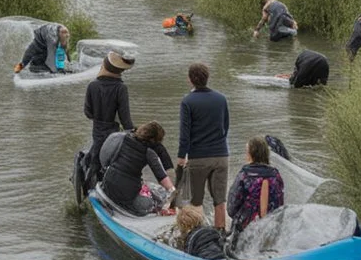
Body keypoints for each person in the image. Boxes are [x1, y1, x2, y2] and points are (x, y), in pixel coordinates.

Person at [177, 63, 230, 230]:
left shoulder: (187, 101)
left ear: (190, 79)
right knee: (220, 200)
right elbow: (225, 126)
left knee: (196, 201)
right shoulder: (221, 99)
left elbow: (185, 133)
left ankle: (197, 235)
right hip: (221, 156)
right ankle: (220, 234)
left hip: (198, 156)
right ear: (207, 78)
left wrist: (181, 156)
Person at [82, 50, 136, 185]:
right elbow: (125, 119)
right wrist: (134, 134)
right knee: (111, 159)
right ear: (119, 71)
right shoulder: (120, 88)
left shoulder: (92, 85)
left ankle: (88, 183)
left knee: (96, 157)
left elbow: (88, 113)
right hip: (112, 131)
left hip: (97, 129)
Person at [99, 121, 176, 215]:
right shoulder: (149, 152)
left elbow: (105, 158)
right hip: (127, 195)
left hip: (108, 184)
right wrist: (174, 193)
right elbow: (162, 178)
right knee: (157, 201)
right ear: (153, 140)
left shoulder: (123, 138)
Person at [227, 136, 285, 238]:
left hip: (247, 225)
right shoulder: (275, 174)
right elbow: (280, 200)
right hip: (271, 224)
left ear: (251, 154)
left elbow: (233, 203)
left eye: (247, 152)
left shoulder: (245, 174)